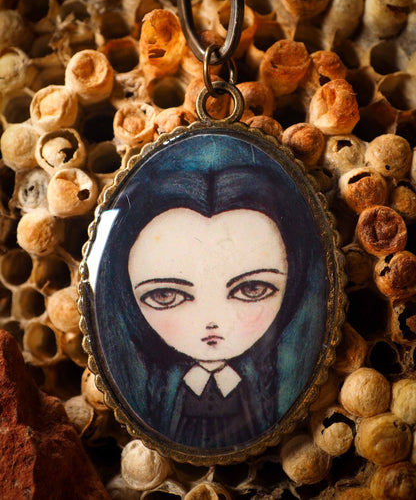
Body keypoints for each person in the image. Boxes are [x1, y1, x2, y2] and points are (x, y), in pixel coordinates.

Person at [86, 131, 330, 451]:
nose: (211, 321)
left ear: (294, 285)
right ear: (125, 297)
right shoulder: (153, 394)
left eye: (252, 289)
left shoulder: (277, 385)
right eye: (166, 296)